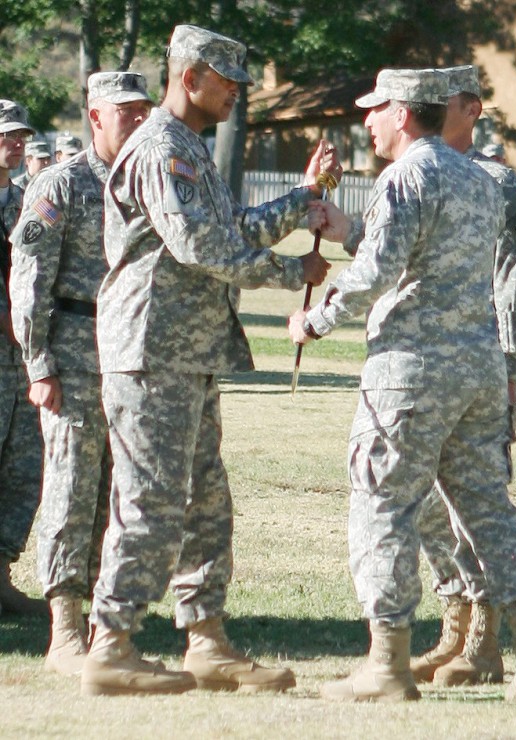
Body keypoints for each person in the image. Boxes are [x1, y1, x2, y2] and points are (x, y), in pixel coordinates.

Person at [81, 24, 338, 697]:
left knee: (205, 502)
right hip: (149, 354)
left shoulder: (189, 148)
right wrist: (290, 273)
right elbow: (201, 246)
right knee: (151, 501)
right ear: (189, 76)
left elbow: (230, 230)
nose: (236, 95)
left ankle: (206, 641)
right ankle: (111, 643)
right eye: (226, 82)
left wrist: (303, 202)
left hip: (186, 355)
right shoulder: (163, 148)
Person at [290, 67, 516, 704]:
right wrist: (346, 229)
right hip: (478, 369)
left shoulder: (406, 174)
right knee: (488, 508)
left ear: (404, 113)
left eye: (376, 110)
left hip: (410, 370)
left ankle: (386, 665)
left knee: (382, 505)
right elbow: (425, 255)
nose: (368, 122)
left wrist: (316, 320)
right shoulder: (477, 177)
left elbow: (381, 270)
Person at [10, 72, 153, 675]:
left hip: (130, 356)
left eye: (145, 110)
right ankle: (63, 628)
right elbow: (30, 277)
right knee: (70, 489)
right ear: (96, 116)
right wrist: (38, 362)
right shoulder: (59, 184)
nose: (141, 121)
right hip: (72, 353)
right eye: (127, 112)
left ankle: (105, 620)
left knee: (119, 493)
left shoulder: (147, 182)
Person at [409, 64, 516, 689]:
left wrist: (512, 361)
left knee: (476, 503)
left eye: (453, 102)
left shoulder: (499, 182)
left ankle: (488, 639)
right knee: (428, 506)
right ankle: (456, 620)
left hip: (481, 366)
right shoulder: (418, 171)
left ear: (473, 108)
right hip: (421, 366)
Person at [0, 99, 47, 617]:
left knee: (23, 466)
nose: (15, 143)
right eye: (7, 135)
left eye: (19, 136)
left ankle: (1, 573)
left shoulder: (27, 201)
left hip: (23, 358)